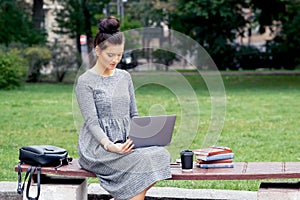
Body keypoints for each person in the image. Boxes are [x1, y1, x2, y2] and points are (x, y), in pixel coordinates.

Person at [75, 16, 172, 200]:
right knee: (142, 160)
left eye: (119, 55)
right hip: (98, 148)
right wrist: (112, 147)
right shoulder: (85, 81)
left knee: (161, 154)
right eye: (110, 55)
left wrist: (143, 138)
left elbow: (133, 114)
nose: (115, 59)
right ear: (97, 50)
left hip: (126, 141)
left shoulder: (125, 76)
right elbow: (92, 122)